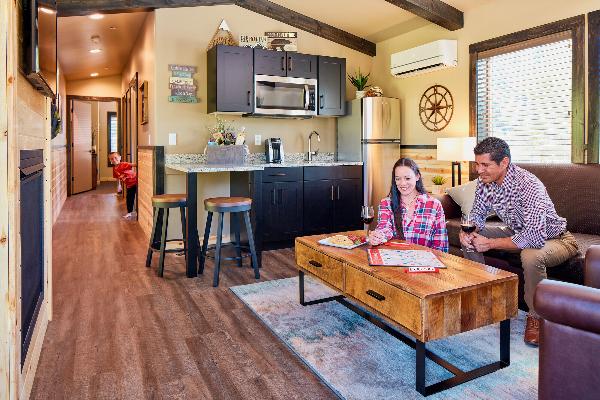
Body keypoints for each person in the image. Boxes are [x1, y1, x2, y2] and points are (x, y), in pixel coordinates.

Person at [460, 137, 579, 346]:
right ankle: (483, 299)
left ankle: (537, 317)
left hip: (556, 238)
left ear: (504, 162)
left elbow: (533, 237)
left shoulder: (528, 185)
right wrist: (470, 231)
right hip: (518, 232)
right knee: (469, 239)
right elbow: (477, 215)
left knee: (530, 254)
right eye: (477, 164)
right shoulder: (485, 183)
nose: (479, 170)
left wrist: (489, 243)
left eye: (485, 165)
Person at [368, 158, 448, 252]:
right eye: (398, 179)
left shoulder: (434, 205)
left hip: (425, 263)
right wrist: (379, 236)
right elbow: (384, 227)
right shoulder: (386, 203)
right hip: (394, 260)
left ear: (417, 176)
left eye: (407, 178)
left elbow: (441, 243)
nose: (402, 183)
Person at [109, 152, 137, 220]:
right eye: (112, 159)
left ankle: (132, 212)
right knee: (129, 198)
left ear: (120, 158)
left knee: (132, 198)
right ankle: (130, 212)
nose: (114, 160)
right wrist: (119, 185)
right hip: (129, 185)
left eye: (116, 157)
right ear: (110, 160)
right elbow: (117, 178)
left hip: (135, 182)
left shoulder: (124, 164)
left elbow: (134, 165)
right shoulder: (115, 168)